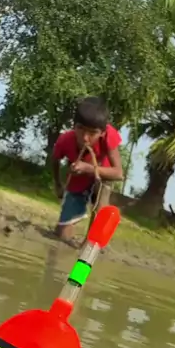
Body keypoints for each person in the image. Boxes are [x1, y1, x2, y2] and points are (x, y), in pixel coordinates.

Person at [51, 96, 123, 242]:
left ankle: (91, 243)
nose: (85, 138)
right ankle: (65, 233)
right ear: (74, 126)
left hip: (103, 175)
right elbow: (55, 160)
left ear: (102, 133)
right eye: (80, 129)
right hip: (79, 177)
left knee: (100, 203)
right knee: (62, 234)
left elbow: (118, 174)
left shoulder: (109, 136)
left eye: (92, 133)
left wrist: (89, 168)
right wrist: (58, 184)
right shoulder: (65, 140)